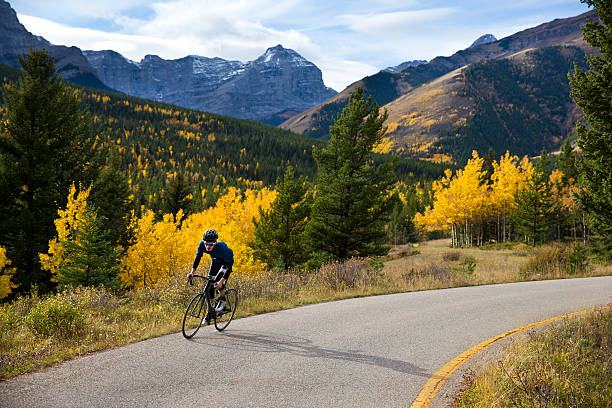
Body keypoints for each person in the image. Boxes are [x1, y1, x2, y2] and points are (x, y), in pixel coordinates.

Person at [187, 229, 234, 324]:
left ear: (215, 243)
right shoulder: (201, 245)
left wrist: (221, 282)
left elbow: (229, 269)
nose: (208, 246)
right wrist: (192, 272)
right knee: (209, 285)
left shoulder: (222, 249)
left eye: (211, 244)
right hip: (216, 261)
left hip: (226, 263)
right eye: (206, 244)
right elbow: (197, 258)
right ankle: (210, 312)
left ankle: (222, 300)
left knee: (217, 281)